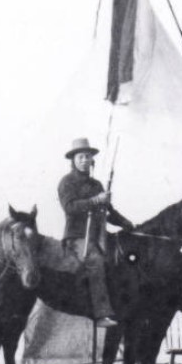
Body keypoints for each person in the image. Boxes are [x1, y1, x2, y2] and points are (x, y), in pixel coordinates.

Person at [58, 137, 133, 327]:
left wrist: (125, 222)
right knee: (96, 261)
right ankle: (101, 315)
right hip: (77, 237)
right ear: (73, 160)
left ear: (92, 160)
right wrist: (95, 201)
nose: (85, 160)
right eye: (81, 156)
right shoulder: (67, 182)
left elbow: (107, 212)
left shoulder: (97, 185)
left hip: (98, 235)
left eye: (88, 157)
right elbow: (70, 208)